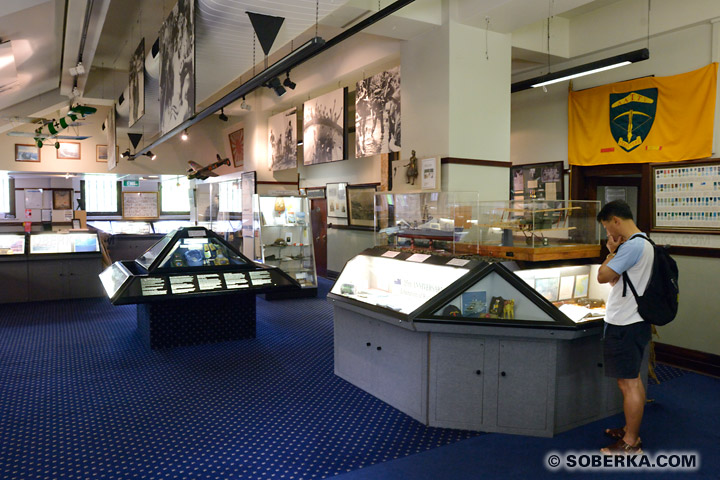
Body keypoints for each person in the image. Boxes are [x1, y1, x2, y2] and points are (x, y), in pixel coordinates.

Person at [596, 199, 654, 455]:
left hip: (625, 324)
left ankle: (631, 442)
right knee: (633, 380)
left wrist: (610, 251)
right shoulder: (645, 242)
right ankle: (631, 429)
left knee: (627, 384)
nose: (609, 234)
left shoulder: (631, 247)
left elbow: (602, 276)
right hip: (636, 322)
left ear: (616, 221)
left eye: (608, 228)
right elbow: (618, 283)